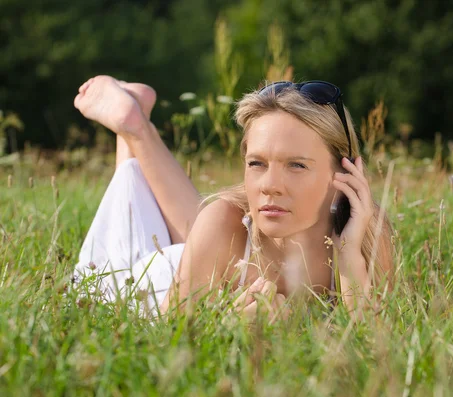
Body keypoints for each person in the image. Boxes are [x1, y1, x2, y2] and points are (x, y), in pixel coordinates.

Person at [72, 75, 393, 320]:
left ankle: (135, 124)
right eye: (257, 163)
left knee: (209, 222)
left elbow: (374, 348)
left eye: (296, 165)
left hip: (203, 254)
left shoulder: (367, 233)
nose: (270, 185)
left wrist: (349, 258)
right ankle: (131, 129)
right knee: (105, 271)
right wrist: (229, 328)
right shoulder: (223, 220)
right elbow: (172, 337)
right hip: (151, 282)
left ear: (345, 173)